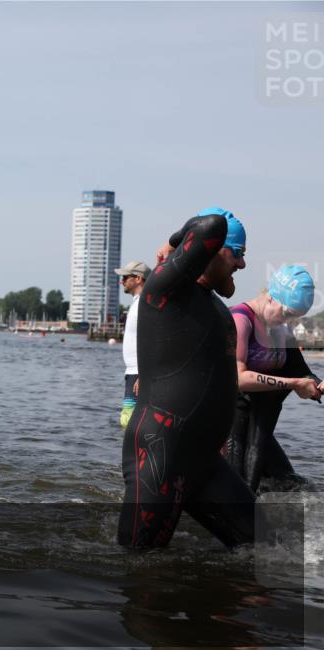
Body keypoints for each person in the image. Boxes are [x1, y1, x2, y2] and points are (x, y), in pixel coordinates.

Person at [118, 208, 255, 549]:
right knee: (140, 567)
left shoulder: (217, 307)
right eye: (237, 254)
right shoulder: (165, 291)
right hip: (161, 455)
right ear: (213, 249)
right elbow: (212, 224)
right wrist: (173, 244)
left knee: (269, 547)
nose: (242, 265)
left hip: (204, 461)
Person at [222, 264, 322, 492]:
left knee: (294, 486)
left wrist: (318, 385)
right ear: (270, 297)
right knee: (238, 492)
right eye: (286, 313)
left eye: (294, 317)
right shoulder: (240, 320)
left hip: (259, 428)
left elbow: (301, 370)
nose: (287, 320)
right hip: (229, 422)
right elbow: (238, 378)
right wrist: (294, 384)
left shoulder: (281, 329)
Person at [114, 260, 151, 429]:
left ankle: (134, 454)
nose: (122, 281)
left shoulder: (144, 303)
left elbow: (152, 337)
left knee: (130, 421)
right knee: (129, 420)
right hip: (134, 372)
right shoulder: (137, 302)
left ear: (138, 279)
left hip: (139, 373)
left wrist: (144, 374)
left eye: (125, 277)